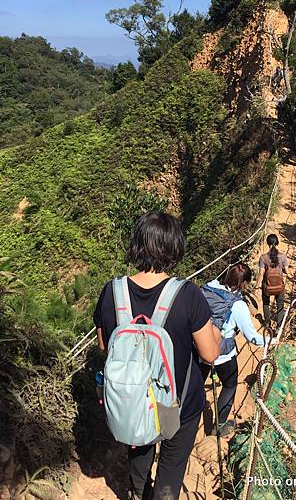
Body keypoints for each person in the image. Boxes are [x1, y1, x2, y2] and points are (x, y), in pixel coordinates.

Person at [93, 211, 220, 500]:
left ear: (137, 244)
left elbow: (105, 345)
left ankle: (138, 491)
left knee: (139, 454)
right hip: (179, 405)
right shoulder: (188, 295)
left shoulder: (111, 292)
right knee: (172, 468)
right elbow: (210, 354)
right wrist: (215, 333)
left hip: (133, 402)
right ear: (175, 247)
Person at [199, 263, 266, 437]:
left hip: (199, 346)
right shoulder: (237, 305)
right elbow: (252, 337)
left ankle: (184, 421)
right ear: (244, 283)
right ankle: (219, 426)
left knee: (196, 385)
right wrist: (271, 341)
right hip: (222, 353)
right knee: (229, 385)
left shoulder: (207, 289)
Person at [255, 234, 288, 330]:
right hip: (279, 286)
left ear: (267, 243)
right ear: (277, 243)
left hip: (267, 286)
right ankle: (279, 326)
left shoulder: (263, 257)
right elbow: (286, 271)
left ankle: (267, 324)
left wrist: (257, 285)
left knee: (266, 303)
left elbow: (261, 273)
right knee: (280, 304)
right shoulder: (282, 257)